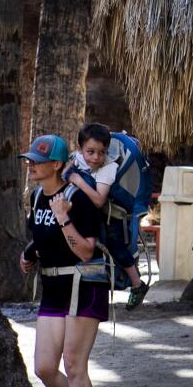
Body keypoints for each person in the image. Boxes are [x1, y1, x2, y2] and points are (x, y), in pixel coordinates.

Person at [18, 133, 108, 387]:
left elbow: (85, 251)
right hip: (54, 288)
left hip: (83, 286)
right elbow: (41, 239)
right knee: (43, 367)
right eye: (29, 160)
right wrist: (29, 254)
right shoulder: (40, 195)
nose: (30, 165)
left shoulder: (78, 200)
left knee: (73, 364)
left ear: (56, 165)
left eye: (37, 162)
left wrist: (64, 217)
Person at [69, 122, 152, 307]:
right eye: (90, 152)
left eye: (102, 152)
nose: (96, 157)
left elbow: (99, 200)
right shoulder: (75, 159)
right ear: (80, 148)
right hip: (82, 213)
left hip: (109, 214)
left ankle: (137, 284)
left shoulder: (108, 168)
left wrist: (79, 181)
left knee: (116, 246)